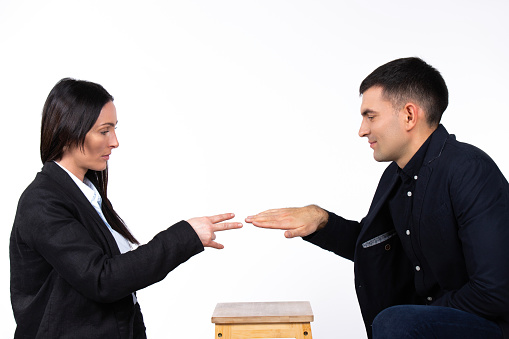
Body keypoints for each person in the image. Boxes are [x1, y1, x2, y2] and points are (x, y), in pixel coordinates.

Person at [246, 57, 509, 339]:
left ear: (409, 115)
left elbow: (495, 290)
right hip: (423, 324)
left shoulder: (469, 169)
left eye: (370, 116)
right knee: (396, 320)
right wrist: (322, 221)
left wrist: (417, 315)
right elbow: (374, 245)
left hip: (488, 325)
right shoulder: (395, 177)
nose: (362, 130)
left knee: (395, 321)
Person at [10, 78, 243, 338]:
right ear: (68, 132)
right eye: (104, 131)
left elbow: (123, 290)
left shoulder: (86, 194)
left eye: (114, 129)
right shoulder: (42, 202)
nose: (115, 142)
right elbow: (103, 280)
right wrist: (185, 236)